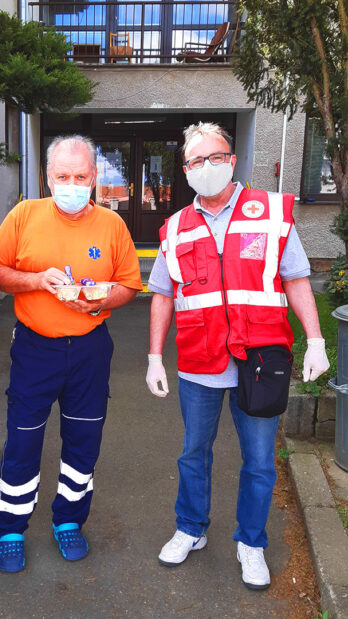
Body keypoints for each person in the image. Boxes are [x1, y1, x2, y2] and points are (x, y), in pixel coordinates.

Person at [145, 122, 329, 590]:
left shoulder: (269, 211)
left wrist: (316, 339)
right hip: (200, 360)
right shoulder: (175, 227)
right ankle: (191, 529)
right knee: (193, 454)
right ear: (185, 169)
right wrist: (153, 356)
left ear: (232, 158)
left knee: (261, 462)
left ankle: (251, 543)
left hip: (260, 361)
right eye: (195, 161)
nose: (206, 167)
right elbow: (164, 296)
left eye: (215, 156)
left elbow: (297, 279)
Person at [0, 135, 141, 573]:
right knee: (23, 438)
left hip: (90, 348)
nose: (71, 184)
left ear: (94, 177)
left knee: (83, 441)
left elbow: (129, 285)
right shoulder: (24, 215)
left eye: (80, 176)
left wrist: (100, 300)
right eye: (62, 176)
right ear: (47, 178)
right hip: (35, 347)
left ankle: (69, 519)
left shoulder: (112, 226)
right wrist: (35, 281)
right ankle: (11, 528)